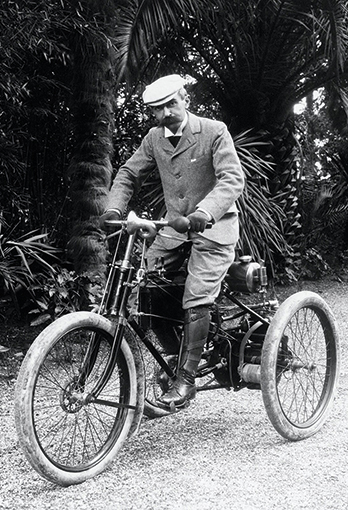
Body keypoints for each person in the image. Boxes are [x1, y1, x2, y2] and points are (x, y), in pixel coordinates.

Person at [99, 74, 245, 408]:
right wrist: (113, 208)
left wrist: (204, 213)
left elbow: (232, 179)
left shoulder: (213, 130)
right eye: (157, 109)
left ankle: (186, 381)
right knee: (147, 290)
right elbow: (129, 173)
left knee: (196, 296)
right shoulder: (153, 139)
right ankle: (177, 357)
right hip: (172, 230)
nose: (165, 113)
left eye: (171, 104)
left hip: (214, 228)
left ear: (185, 100)